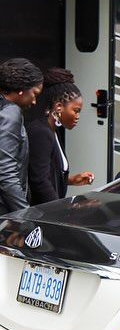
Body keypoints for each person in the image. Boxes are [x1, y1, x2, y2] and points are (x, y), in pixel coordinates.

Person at [26, 68, 94, 205]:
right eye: (76, 111)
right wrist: (59, 211)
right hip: (40, 216)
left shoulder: (53, 131)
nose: (77, 117)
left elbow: (48, 175)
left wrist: (72, 180)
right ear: (58, 107)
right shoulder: (41, 132)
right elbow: (39, 181)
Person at [0, 58, 43, 214]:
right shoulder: (10, 113)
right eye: (34, 94)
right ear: (21, 90)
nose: (34, 101)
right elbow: (6, 173)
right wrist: (25, 214)